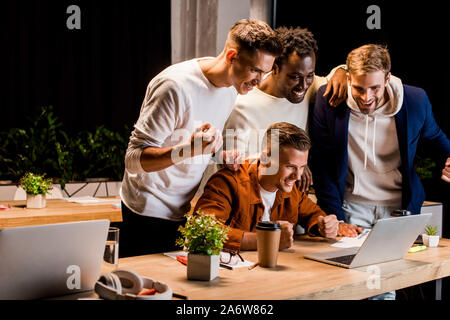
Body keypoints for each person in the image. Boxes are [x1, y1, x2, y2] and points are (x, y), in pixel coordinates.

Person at [118, 19, 283, 257]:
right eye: (255, 70)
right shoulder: (174, 87)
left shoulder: (231, 88)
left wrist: (218, 153)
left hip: (183, 209)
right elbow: (133, 160)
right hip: (146, 210)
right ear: (231, 56)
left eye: (265, 73)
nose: (259, 82)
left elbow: (190, 140)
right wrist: (189, 150)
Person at [310, 44, 450, 299]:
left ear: (388, 79)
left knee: (385, 289)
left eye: (374, 88)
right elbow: (321, 165)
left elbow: (437, 139)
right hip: (350, 209)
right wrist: (336, 217)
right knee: (347, 286)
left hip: (398, 212)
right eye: (359, 88)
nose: (366, 97)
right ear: (348, 77)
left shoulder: (416, 100)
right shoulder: (329, 100)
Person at [219, 26, 348, 192]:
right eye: (294, 77)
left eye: (309, 75)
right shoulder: (242, 106)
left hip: (294, 196)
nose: (303, 85)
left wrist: (342, 70)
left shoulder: (310, 86)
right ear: (275, 68)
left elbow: (340, 77)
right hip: (252, 195)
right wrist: (295, 167)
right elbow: (232, 167)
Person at [194, 122, 360, 252]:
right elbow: (203, 233)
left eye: (302, 167)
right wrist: (267, 239)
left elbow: (314, 215)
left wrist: (325, 226)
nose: (298, 176)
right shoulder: (227, 183)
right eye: (290, 166)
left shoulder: (291, 189)